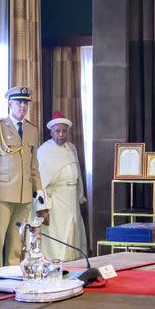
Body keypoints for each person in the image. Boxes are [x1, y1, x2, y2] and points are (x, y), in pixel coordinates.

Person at [0, 86, 48, 267]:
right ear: (10, 104)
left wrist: (39, 190)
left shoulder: (32, 130)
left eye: (26, 103)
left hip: (24, 194)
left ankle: (11, 272)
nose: (23, 107)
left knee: (17, 242)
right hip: (2, 194)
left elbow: (34, 166)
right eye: (19, 102)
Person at [36, 110, 88, 261]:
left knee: (74, 229)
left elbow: (77, 172)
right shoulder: (44, 150)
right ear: (51, 132)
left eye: (64, 131)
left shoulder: (71, 148)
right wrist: (42, 208)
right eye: (57, 131)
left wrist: (80, 195)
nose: (60, 134)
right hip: (56, 200)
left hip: (71, 199)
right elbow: (40, 182)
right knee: (58, 234)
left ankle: (74, 261)